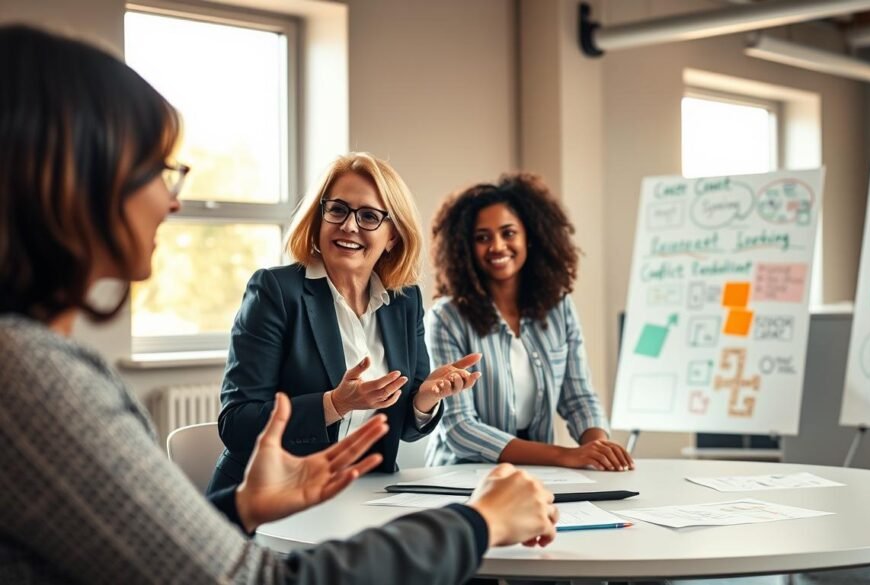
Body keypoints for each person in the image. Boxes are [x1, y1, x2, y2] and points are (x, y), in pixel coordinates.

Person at [0, 24, 557, 584]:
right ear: (71, 182)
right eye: (153, 169)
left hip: (341, 499)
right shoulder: (29, 374)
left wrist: (243, 509)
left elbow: (159, 556)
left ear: (393, 233)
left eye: (370, 217)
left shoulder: (33, 362)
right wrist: (477, 523)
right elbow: (254, 578)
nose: (173, 200)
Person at [207, 152, 482, 493]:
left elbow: (408, 429)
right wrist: (335, 404)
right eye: (337, 209)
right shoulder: (275, 291)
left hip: (363, 495)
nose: (349, 225)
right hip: (270, 496)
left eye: (369, 216)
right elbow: (237, 424)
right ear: (319, 217)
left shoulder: (404, 300)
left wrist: (424, 399)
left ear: (393, 236)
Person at [425, 173, 635, 471]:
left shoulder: (559, 308)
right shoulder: (446, 318)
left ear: (529, 236)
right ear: (464, 248)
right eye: (482, 238)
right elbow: (460, 428)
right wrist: (564, 456)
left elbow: (579, 396)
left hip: (539, 473)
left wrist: (596, 447)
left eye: (508, 233)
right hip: (462, 475)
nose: (497, 246)